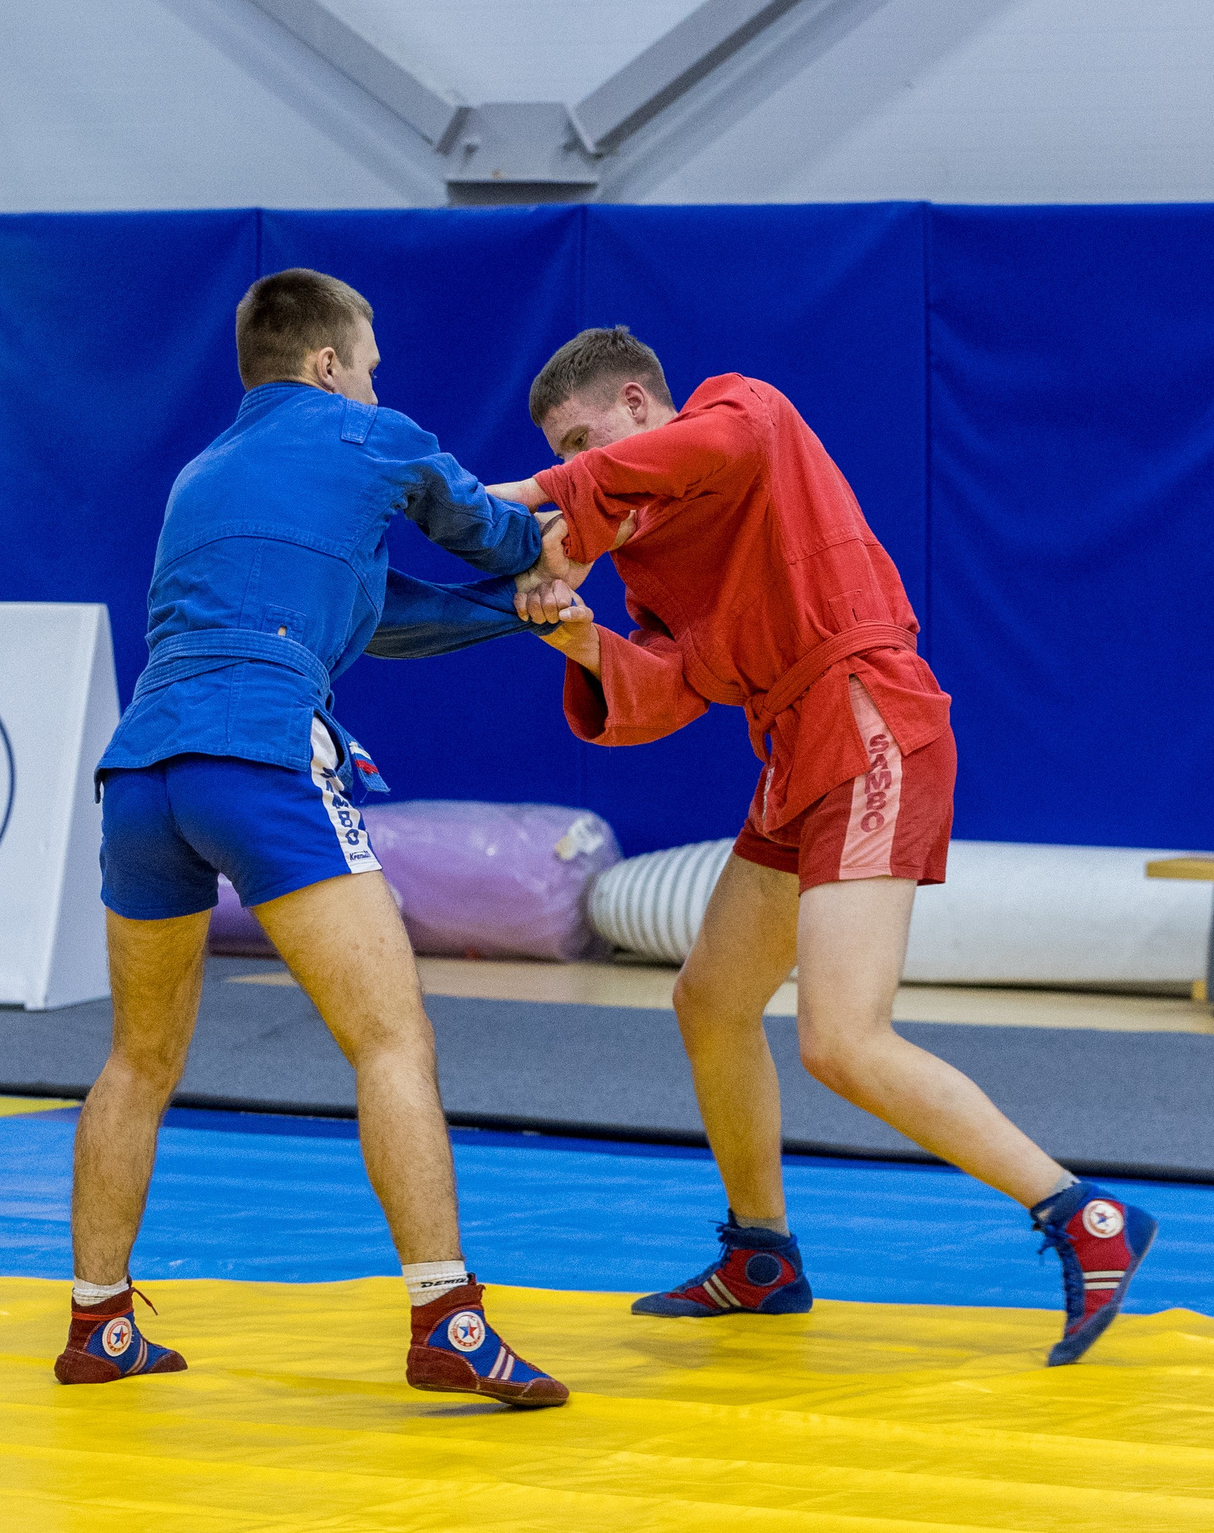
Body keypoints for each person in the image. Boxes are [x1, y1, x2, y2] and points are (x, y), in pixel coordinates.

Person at [491, 327, 1155, 1368]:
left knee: (843, 1039)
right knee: (709, 999)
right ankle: (760, 1255)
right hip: (796, 750)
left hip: (867, 719)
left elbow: (703, 450)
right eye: (567, 454)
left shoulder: (741, 413)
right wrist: (580, 640)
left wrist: (538, 487)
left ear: (636, 403)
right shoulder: (651, 551)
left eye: (587, 442)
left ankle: (1082, 1216)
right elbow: (674, 689)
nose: (587, 476)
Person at [64, 268, 581, 1407]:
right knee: (391, 1041)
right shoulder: (370, 436)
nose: (379, 382)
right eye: (373, 365)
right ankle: (447, 1320)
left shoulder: (200, 476)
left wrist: (510, 613)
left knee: (137, 1062)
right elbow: (489, 533)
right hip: (258, 757)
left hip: (143, 771)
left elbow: (377, 617)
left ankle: (97, 1323)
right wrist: (552, 554)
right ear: (328, 366)